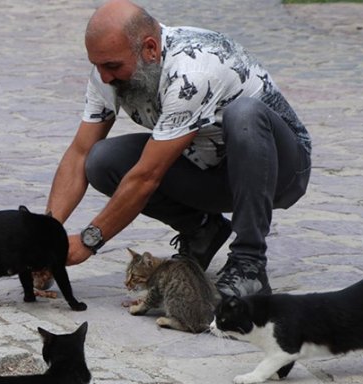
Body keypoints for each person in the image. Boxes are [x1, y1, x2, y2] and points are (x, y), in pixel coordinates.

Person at [44, 0, 311, 298]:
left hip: (280, 170)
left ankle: (249, 263)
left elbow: (147, 177)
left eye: (112, 66)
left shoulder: (193, 70)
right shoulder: (108, 73)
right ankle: (202, 231)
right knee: (102, 160)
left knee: (244, 113)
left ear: (150, 49)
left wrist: (89, 240)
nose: (104, 77)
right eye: (97, 65)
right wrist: (43, 237)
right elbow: (80, 152)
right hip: (212, 169)